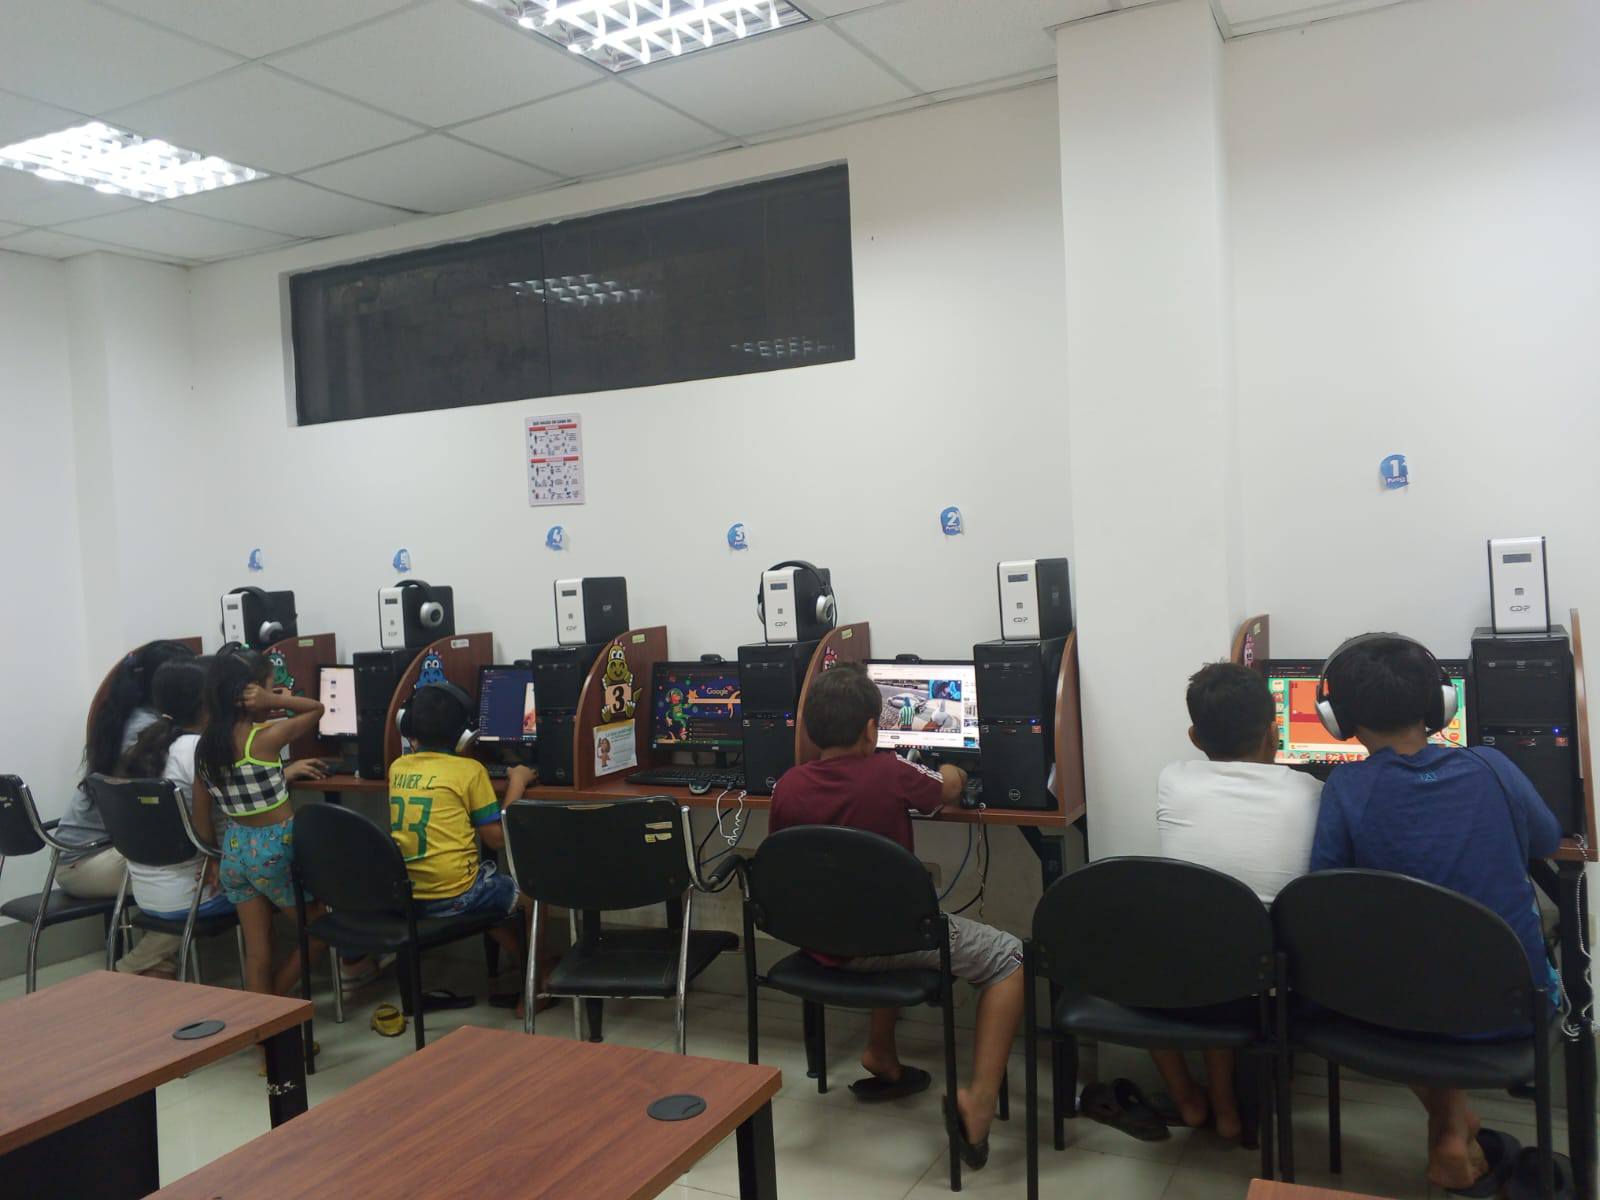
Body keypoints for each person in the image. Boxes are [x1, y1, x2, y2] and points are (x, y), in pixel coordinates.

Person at [1309, 634, 1561, 1193]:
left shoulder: (1347, 787)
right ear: (1440, 705)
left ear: (1339, 719)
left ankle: (1451, 1125)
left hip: (1394, 1013)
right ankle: (1453, 1130)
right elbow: (1547, 840)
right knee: (1445, 964)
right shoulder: (1493, 766)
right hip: (1511, 1009)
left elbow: (1325, 895)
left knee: (1406, 965)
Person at [769, 663, 1023, 1167]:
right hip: (884, 940)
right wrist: (953, 769)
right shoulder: (890, 772)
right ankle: (979, 1104)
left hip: (820, 937)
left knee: (880, 912)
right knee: (1010, 958)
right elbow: (948, 788)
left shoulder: (788, 786)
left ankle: (881, 1052)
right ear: (872, 729)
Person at [1151, 662, 1322, 1140]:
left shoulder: (1172, 779)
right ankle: (1226, 1107)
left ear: (1193, 737)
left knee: (1168, 945)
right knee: (1227, 948)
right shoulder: (1310, 791)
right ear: (1274, 732)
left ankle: (1188, 1098)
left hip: (1182, 969)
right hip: (1265, 980)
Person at [192, 650, 335, 1000]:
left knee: (258, 950)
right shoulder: (266, 738)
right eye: (270, 688)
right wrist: (274, 702)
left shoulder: (205, 747)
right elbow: (317, 709)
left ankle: (261, 1025)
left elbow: (201, 814)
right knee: (321, 929)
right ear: (252, 692)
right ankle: (277, 1004)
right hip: (274, 851)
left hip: (235, 851)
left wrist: (212, 859)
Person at [57, 639, 197, 975]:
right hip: (87, 861)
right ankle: (130, 968)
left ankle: (156, 966)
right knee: (198, 881)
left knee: (190, 870)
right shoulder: (146, 731)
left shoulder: (128, 717)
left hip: (86, 854)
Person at [115, 657, 234, 972]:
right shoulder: (197, 749)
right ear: (208, 703)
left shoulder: (143, 748)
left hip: (146, 893)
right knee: (274, 877)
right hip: (196, 894)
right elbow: (237, 804)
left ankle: (156, 970)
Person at [386, 684, 522, 938]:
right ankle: (536, 961)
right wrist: (518, 782)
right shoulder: (470, 771)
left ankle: (518, 957)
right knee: (530, 893)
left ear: (406, 724)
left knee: (489, 890)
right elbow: (496, 839)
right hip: (455, 896)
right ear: (465, 735)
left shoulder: (397, 768)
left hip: (406, 896)